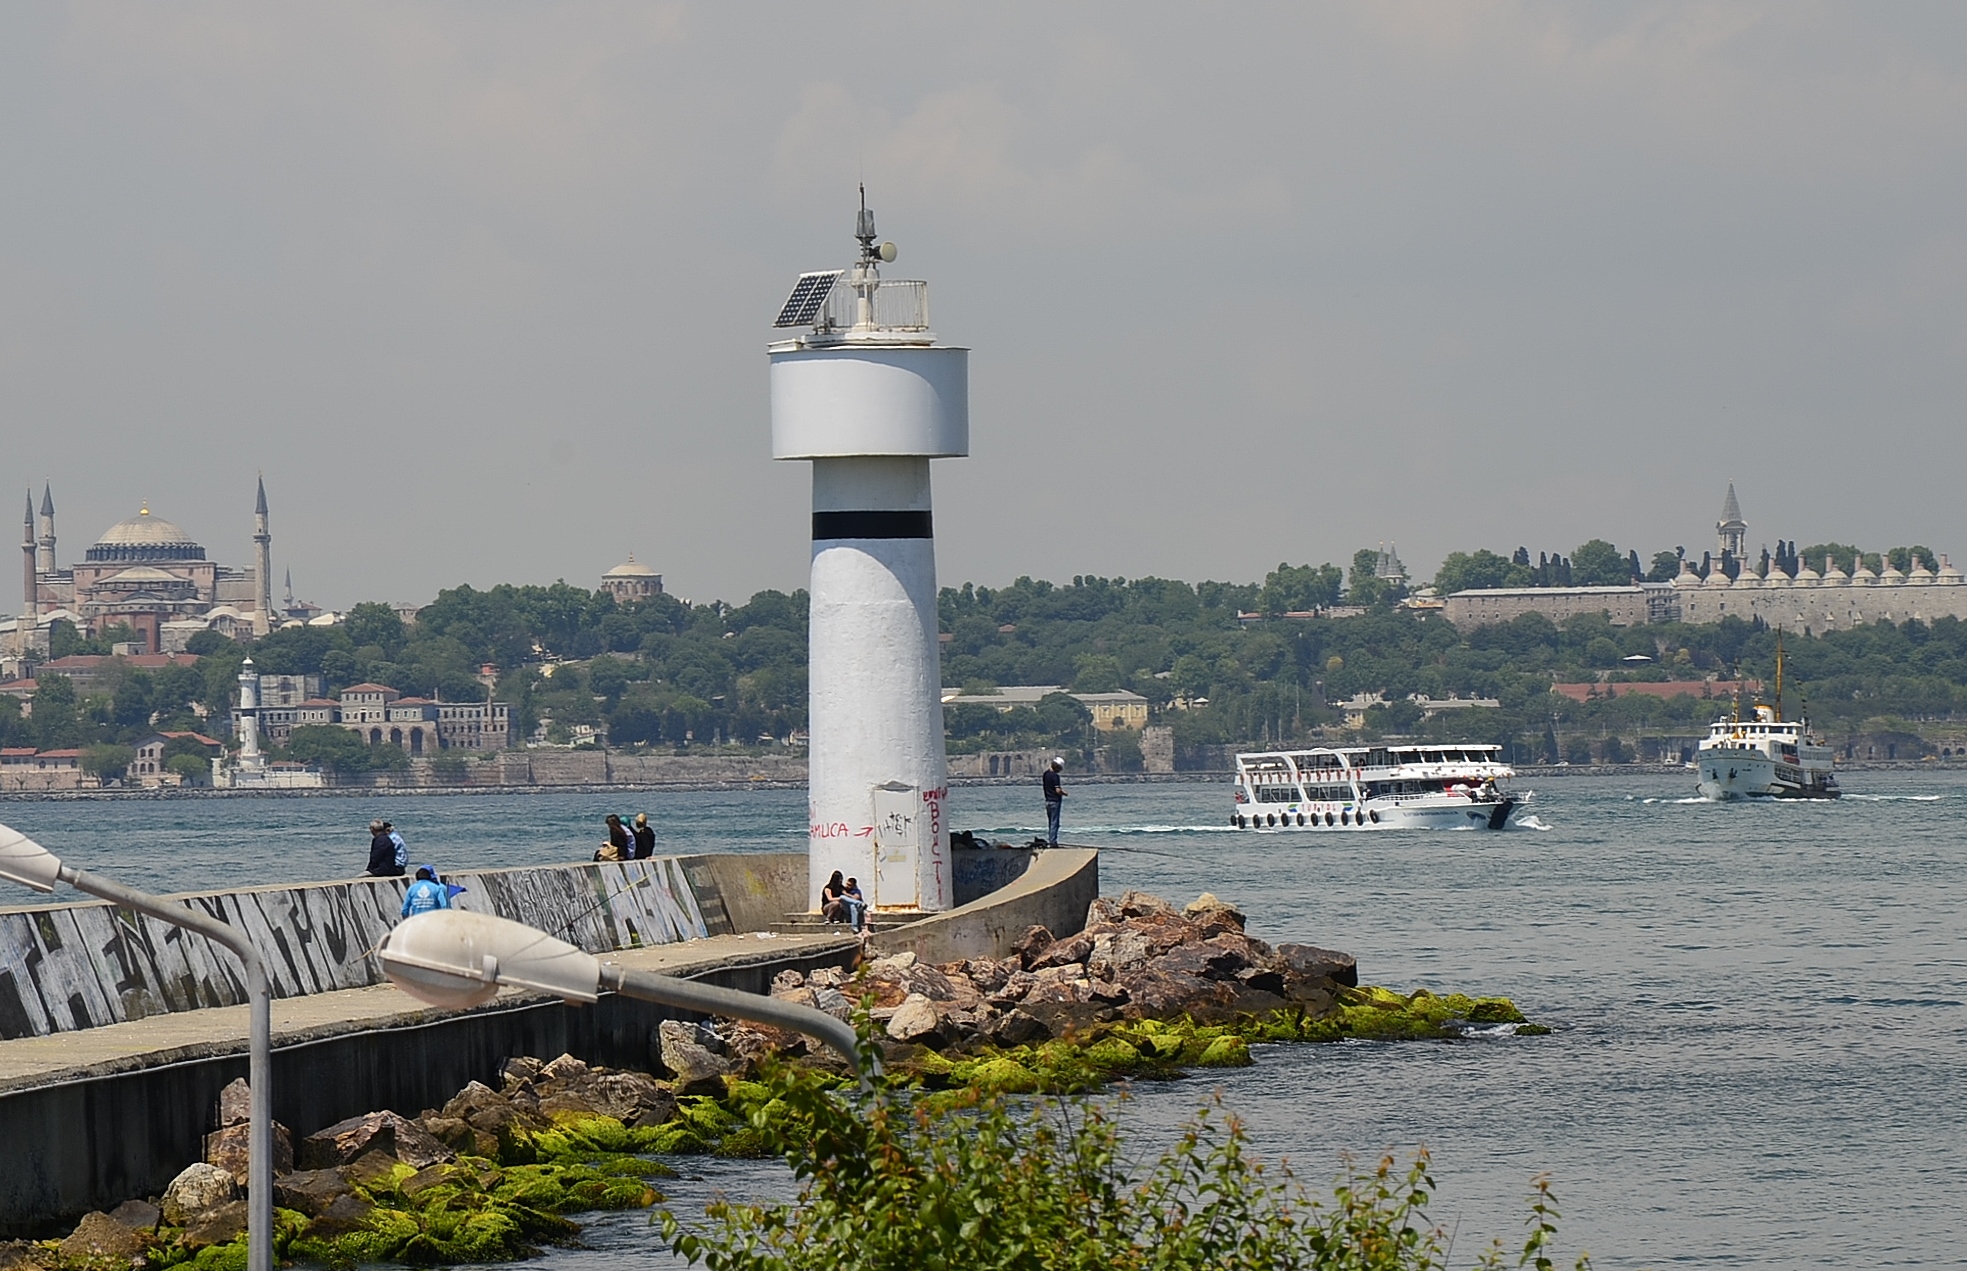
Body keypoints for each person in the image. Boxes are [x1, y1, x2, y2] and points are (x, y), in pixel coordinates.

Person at [1041, 757, 1067, 847]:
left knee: (1050, 823)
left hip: (1047, 801)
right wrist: (1064, 793)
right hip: (1055, 801)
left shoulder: (1045, 774)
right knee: (1054, 823)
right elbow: (1058, 790)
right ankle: (1053, 842)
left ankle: (1051, 839)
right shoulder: (1055, 776)